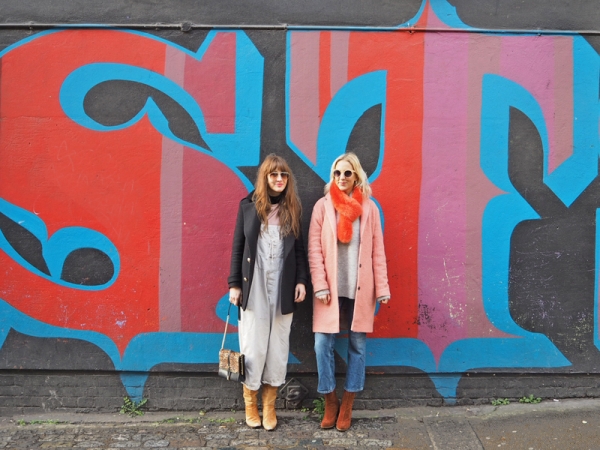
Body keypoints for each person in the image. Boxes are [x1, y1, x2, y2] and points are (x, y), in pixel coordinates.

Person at [308, 152, 391, 432]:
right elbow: (314, 250)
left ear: (356, 176)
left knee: (357, 346)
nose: (341, 178)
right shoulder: (322, 207)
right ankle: (330, 399)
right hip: (329, 290)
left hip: (361, 289)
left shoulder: (369, 209)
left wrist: (382, 287)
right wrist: (319, 284)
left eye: (347, 173)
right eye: (336, 173)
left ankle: (348, 403)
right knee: (322, 345)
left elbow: (377, 250)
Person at [228, 153, 308, 431]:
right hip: (254, 286)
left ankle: (270, 405)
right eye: (274, 175)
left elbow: (299, 250)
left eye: (283, 175)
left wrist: (301, 281)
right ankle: (250, 403)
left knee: (278, 347)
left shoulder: (292, 208)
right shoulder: (248, 207)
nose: (279, 179)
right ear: (265, 178)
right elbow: (238, 247)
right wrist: (234, 284)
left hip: (283, 288)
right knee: (253, 345)